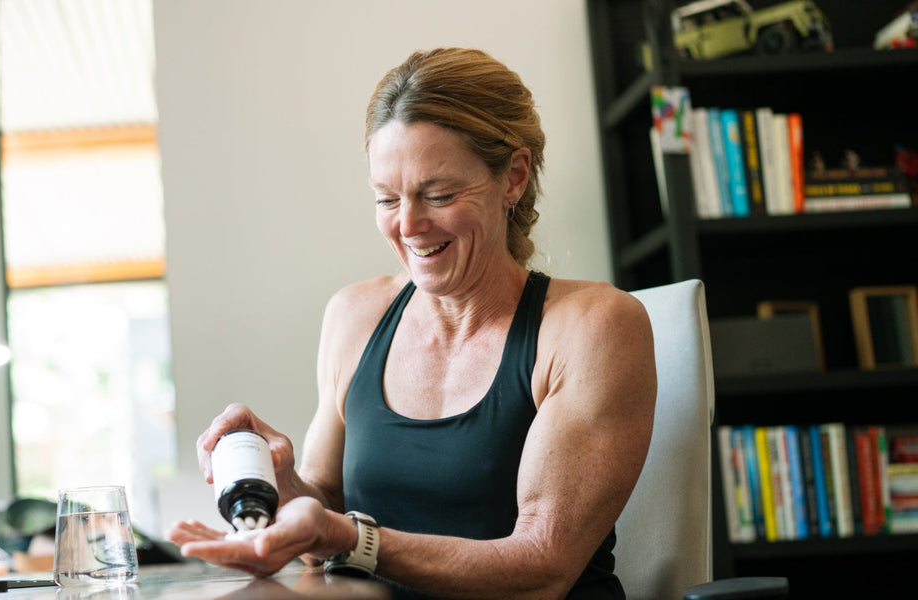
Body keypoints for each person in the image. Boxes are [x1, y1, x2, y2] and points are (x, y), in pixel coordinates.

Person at [166, 47, 656, 600]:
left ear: (514, 178)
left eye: (439, 195)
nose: (409, 225)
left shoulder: (592, 327)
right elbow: (319, 523)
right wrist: (277, 479)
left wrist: (352, 540)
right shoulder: (353, 316)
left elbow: (541, 568)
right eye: (386, 198)